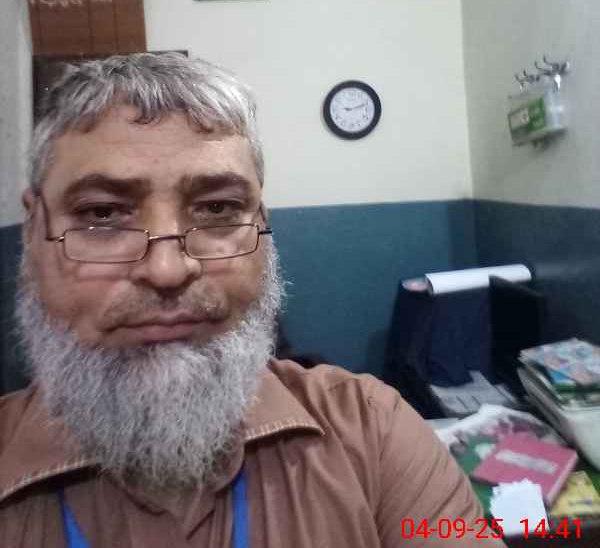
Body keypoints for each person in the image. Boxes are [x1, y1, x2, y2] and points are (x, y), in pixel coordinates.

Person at [0, 52, 496, 547]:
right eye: (102, 214)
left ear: (261, 225)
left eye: (217, 208)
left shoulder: (375, 434)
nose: (168, 270)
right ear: (33, 231)